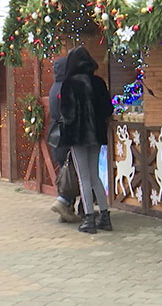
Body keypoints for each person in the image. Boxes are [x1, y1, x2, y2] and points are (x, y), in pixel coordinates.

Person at [60, 46, 114, 234]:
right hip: (96, 136)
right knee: (94, 175)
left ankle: (89, 219)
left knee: (83, 178)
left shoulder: (69, 84)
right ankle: (105, 216)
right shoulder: (99, 82)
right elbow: (108, 109)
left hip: (78, 136)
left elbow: (67, 114)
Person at [48, 56, 80, 222]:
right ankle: (64, 202)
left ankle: (67, 210)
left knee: (65, 171)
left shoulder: (54, 87)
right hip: (66, 135)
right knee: (72, 173)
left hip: (56, 135)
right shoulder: (68, 87)